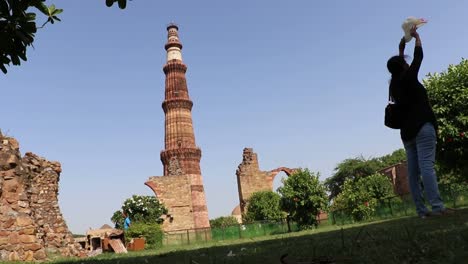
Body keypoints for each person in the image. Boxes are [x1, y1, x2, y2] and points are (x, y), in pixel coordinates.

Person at [386, 26, 454, 218]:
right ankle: (438, 207)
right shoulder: (408, 78)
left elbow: (399, 66)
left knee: (413, 174)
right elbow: (418, 58)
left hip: (407, 134)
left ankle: (422, 212)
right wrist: (417, 38)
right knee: (427, 167)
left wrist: (400, 49)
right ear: (403, 67)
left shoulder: (394, 85)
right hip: (422, 126)